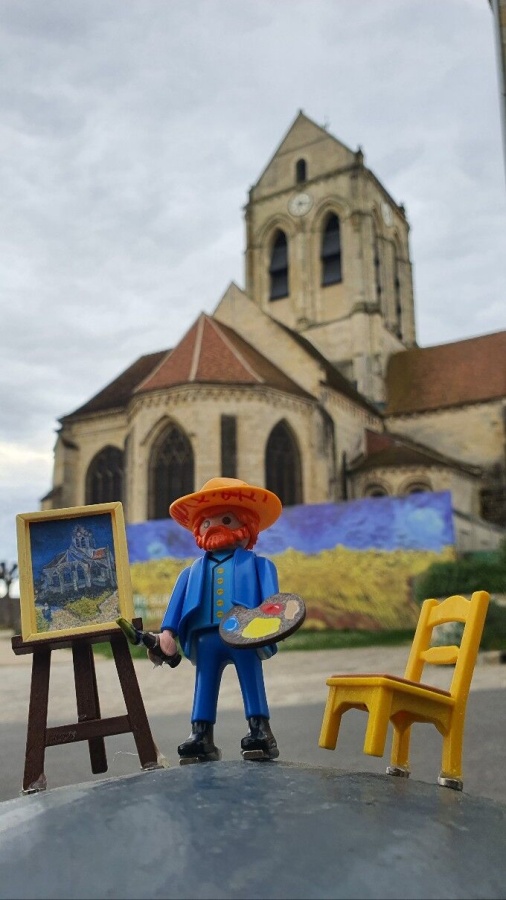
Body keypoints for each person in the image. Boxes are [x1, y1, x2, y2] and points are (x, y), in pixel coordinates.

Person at [158, 476, 283, 765]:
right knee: (204, 682)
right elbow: (176, 604)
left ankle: (260, 730)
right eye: (206, 522)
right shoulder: (191, 572)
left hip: (245, 631)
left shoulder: (259, 565)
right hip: (204, 637)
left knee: (251, 677)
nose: (214, 526)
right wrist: (167, 632)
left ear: (246, 526)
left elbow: (274, 603)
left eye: (226, 519)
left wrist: (275, 622)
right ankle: (201, 735)